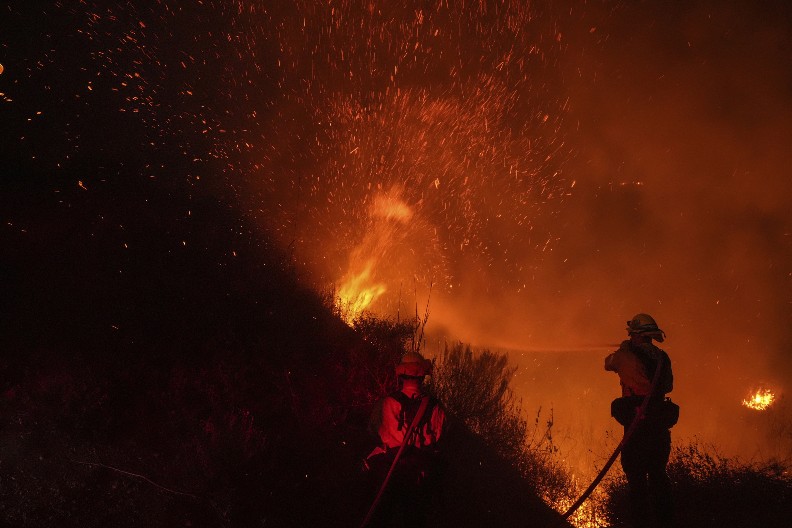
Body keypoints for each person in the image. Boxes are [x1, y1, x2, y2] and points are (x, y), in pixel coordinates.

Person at [605, 313, 675, 528]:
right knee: (658, 476)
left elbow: (608, 363)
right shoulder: (663, 357)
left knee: (636, 481)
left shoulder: (626, 356)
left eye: (632, 335)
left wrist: (624, 349)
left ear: (636, 335)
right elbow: (669, 386)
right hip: (659, 427)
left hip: (637, 425)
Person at [362, 352, 447, 528]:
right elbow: (438, 437)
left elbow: (377, 433)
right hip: (420, 475)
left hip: (391, 472)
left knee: (380, 518)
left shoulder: (388, 403)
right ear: (422, 376)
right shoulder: (436, 407)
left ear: (401, 375)